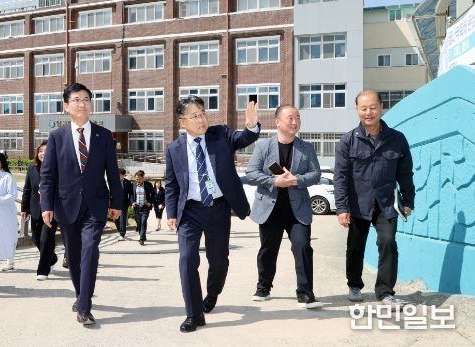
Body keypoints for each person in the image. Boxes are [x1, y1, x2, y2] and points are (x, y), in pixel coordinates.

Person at [165, 95, 259, 333]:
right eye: (194, 116)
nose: (201, 119)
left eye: (203, 113)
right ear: (182, 122)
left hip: (218, 208)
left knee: (218, 261)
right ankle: (193, 313)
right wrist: (171, 212)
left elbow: (243, 138)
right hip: (190, 211)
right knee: (187, 260)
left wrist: (251, 126)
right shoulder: (174, 149)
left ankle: (213, 292)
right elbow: (171, 184)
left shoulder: (220, 134)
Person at [40, 82, 122, 326]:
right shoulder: (57, 137)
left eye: (86, 99)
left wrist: (117, 202)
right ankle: (80, 294)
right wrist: (46, 206)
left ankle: (84, 308)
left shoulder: (104, 136)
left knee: (89, 250)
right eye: (76, 100)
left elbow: (113, 172)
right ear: (66, 106)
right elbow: (48, 175)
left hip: (95, 206)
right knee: (74, 257)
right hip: (66, 206)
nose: (82, 104)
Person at [334, 90, 415, 308]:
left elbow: (405, 173)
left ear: (381, 107)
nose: (368, 112)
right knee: (355, 246)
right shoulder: (348, 141)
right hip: (357, 204)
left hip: (386, 204)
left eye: (373, 107)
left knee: (388, 243)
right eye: (363, 108)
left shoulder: (397, 139)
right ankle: (354, 285)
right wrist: (341, 208)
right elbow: (340, 177)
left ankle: (385, 292)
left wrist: (408, 201)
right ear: (357, 110)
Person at [245, 105, 322, 309]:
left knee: (303, 247)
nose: (295, 122)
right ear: (278, 122)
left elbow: (316, 174)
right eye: (290, 118)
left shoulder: (306, 147)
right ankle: (263, 287)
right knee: (268, 249)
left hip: (298, 209)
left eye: (298, 117)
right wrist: (274, 181)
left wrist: (297, 180)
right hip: (270, 209)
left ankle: (305, 293)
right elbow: (251, 173)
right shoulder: (263, 146)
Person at [21, 141, 60, 280]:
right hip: (35, 210)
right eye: (40, 151)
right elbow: (27, 189)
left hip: (52, 211)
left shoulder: (58, 168)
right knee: (36, 239)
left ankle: (43, 270)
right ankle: (51, 258)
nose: (43, 153)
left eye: (46, 151)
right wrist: (24, 208)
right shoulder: (32, 168)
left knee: (45, 239)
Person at [132, 170, 154, 245]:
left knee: (143, 222)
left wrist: (150, 202)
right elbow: (131, 195)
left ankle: (141, 239)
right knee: (139, 223)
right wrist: (133, 202)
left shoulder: (148, 184)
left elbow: (153, 194)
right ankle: (142, 235)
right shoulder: (134, 185)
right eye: (136, 179)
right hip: (137, 207)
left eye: (139, 179)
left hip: (145, 207)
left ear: (143, 178)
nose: (138, 180)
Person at [114, 168, 134, 241]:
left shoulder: (128, 182)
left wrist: (131, 202)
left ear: (123, 175)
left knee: (122, 219)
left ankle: (122, 234)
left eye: (120, 175)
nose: (119, 176)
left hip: (124, 203)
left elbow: (131, 194)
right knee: (115, 219)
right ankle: (120, 232)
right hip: (114, 204)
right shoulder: (114, 181)